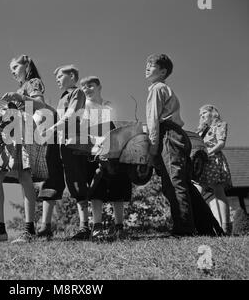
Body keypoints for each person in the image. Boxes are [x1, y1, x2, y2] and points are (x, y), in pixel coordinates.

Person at [145, 53, 224, 237]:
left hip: (168, 134)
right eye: (146, 64)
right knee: (183, 183)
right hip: (178, 136)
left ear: (163, 71)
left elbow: (153, 120)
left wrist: (153, 147)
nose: (147, 67)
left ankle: (184, 229)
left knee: (174, 183)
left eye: (151, 65)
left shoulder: (157, 88)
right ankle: (210, 228)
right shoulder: (163, 89)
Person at [0, 54, 47, 244]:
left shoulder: (33, 83)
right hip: (9, 136)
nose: (12, 72)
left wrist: (19, 97)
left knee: (24, 175)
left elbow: (41, 105)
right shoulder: (20, 89)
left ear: (26, 66)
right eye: (11, 70)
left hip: (24, 132)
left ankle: (29, 231)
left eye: (15, 67)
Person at [42, 64, 91, 240]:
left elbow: (71, 115)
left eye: (60, 77)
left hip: (74, 143)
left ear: (71, 76)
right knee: (52, 179)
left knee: (76, 181)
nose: (57, 80)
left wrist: (52, 128)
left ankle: (85, 227)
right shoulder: (63, 97)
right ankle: (45, 227)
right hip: (60, 144)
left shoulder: (76, 93)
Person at [80, 76, 132, 242]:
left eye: (90, 86)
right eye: (84, 87)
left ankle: (119, 227)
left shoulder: (108, 105)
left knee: (119, 186)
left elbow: (115, 126)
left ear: (99, 87)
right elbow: (84, 130)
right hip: (94, 150)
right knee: (97, 187)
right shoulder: (85, 107)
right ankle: (97, 226)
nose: (87, 89)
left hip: (114, 149)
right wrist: (96, 141)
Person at [194, 104, 233, 235]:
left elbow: (221, 143)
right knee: (196, 193)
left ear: (212, 112)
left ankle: (225, 227)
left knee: (218, 191)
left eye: (204, 113)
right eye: (200, 115)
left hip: (213, 160)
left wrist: (208, 152)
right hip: (202, 164)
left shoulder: (220, 125)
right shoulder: (200, 131)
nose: (202, 116)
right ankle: (198, 225)